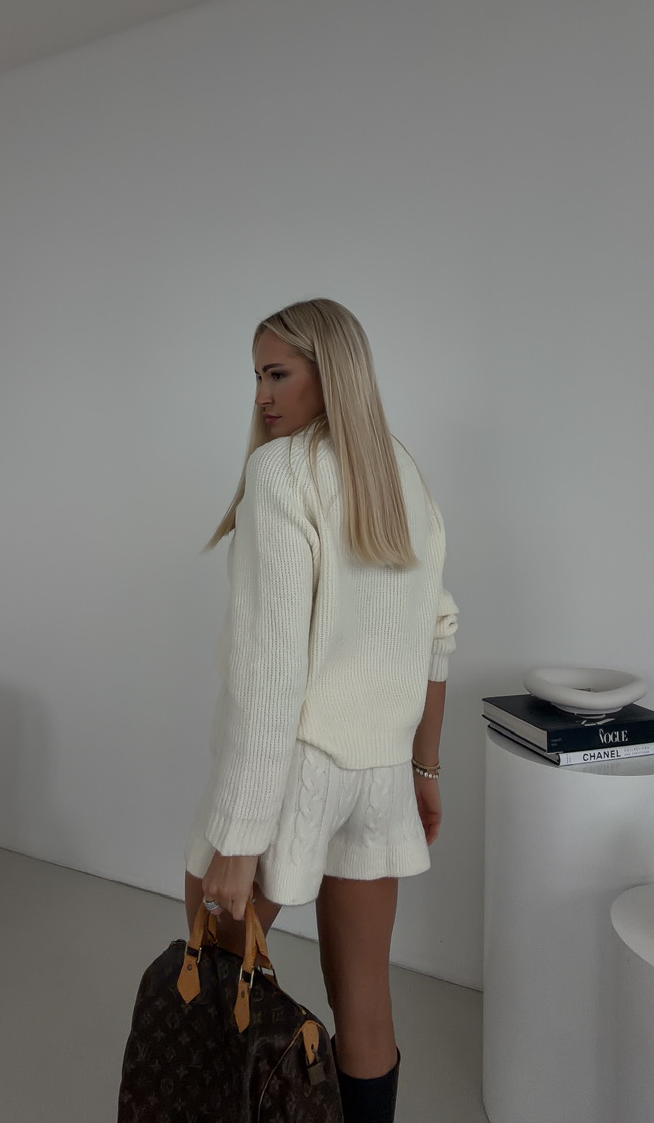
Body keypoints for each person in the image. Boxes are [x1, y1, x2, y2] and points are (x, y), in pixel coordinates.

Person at [184, 298, 458, 1123]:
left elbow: (273, 673)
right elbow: (438, 632)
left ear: (329, 373)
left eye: (278, 374)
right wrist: (424, 769)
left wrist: (240, 838)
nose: (262, 396)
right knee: (366, 1004)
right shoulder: (403, 473)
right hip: (379, 777)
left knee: (210, 997)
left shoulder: (281, 474)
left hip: (290, 775)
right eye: (257, 377)